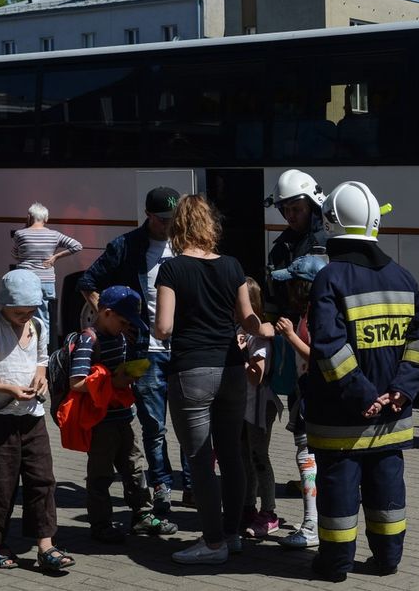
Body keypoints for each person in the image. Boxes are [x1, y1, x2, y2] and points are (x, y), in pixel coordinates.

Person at [305, 181, 419, 582]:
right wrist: (402, 388)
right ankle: (388, 560)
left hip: (342, 419)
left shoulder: (330, 278)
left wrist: (362, 395)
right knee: (387, 493)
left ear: (331, 225)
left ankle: (336, 565)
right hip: (392, 416)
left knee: (339, 495)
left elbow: (328, 346)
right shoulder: (403, 276)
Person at [154, 194, 274, 565]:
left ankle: (212, 542)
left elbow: (164, 327)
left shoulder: (172, 270)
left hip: (191, 370)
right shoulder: (233, 266)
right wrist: (263, 328)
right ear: (210, 226)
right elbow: (247, 319)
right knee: (233, 456)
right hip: (232, 369)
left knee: (200, 461)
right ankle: (233, 534)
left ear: (178, 227)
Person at [0, 270, 74, 572]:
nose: (26, 316)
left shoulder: (37, 324)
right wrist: (6, 389)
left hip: (31, 417)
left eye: (31, 309)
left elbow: (41, 360)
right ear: (4, 304)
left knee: (42, 480)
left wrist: (41, 379)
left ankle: (46, 546)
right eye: (19, 311)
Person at [79, 186, 182, 514]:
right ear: (148, 216)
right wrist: (110, 316)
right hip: (143, 350)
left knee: (190, 424)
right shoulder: (125, 246)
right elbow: (88, 282)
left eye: (173, 218)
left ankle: (192, 486)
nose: (168, 225)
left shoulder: (185, 245)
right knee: (154, 425)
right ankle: (162, 484)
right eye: (163, 219)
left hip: (183, 349)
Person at [71, 285, 177, 543]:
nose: (126, 326)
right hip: (100, 421)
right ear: (106, 313)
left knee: (134, 468)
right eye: (123, 320)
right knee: (100, 475)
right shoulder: (88, 339)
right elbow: (76, 382)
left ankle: (143, 515)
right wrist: (112, 381)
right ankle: (101, 524)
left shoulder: (119, 336)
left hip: (123, 417)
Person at [272, 253, 328, 550]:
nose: (287, 289)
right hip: (307, 394)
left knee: (307, 458)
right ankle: (317, 521)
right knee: (310, 458)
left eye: (292, 283)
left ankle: (311, 525)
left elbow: (319, 358)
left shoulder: (318, 313)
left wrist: (291, 335)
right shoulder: (313, 309)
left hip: (314, 396)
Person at [238, 276, 283, 539]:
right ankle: (247, 506)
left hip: (258, 405)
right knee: (243, 456)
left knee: (258, 457)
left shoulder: (259, 336)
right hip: (242, 404)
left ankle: (269, 512)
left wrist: (239, 355)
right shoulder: (239, 329)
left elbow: (257, 375)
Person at [12, 202, 83, 343]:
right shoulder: (54, 235)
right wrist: (55, 256)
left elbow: (15, 255)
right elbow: (77, 246)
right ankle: (44, 348)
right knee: (45, 315)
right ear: (46, 219)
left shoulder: (20, 234)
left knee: (24, 313)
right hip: (47, 280)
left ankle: (27, 344)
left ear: (29, 217)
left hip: (25, 280)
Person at [264, 169, 327, 320]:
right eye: (285, 209)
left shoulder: (328, 243)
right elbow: (272, 296)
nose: (290, 215)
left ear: (312, 207)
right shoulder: (280, 248)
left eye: (296, 209)